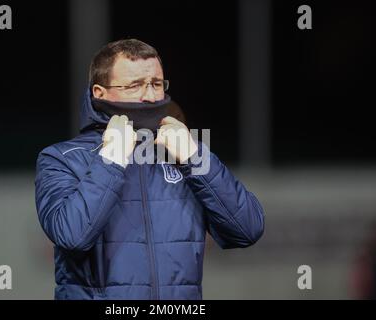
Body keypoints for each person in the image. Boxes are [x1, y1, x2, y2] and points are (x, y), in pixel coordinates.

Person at [34, 39, 265, 300]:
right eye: (134, 86)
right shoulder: (61, 158)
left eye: (156, 84)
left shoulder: (183, 151)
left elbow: (247, 230)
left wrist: (194, 156)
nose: (149, 96)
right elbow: (72, 236)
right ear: (99, 92)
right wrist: (111, 160)